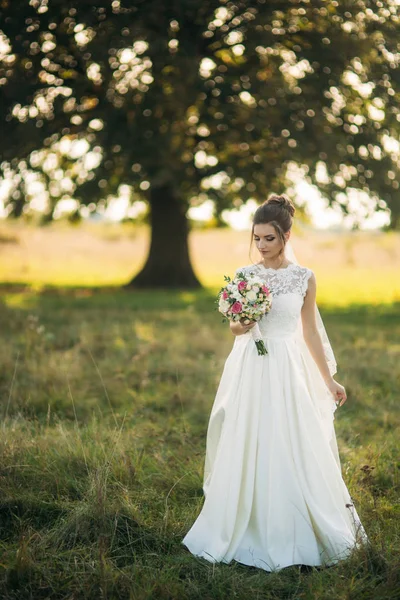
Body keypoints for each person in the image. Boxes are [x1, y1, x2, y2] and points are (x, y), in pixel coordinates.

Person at [182, 194, 369, 572]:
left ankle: (295, 519)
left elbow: (311, 332)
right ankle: (243, 518)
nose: (262, 246)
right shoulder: (245, 276)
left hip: (288, 366)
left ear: (285, 236)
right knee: (250, 433)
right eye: (257, 238)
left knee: (291, 436)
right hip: (252, 364)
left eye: (269, 238)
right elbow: (234, 326)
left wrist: (329, 379)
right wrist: (243, 323)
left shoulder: (304, 277)